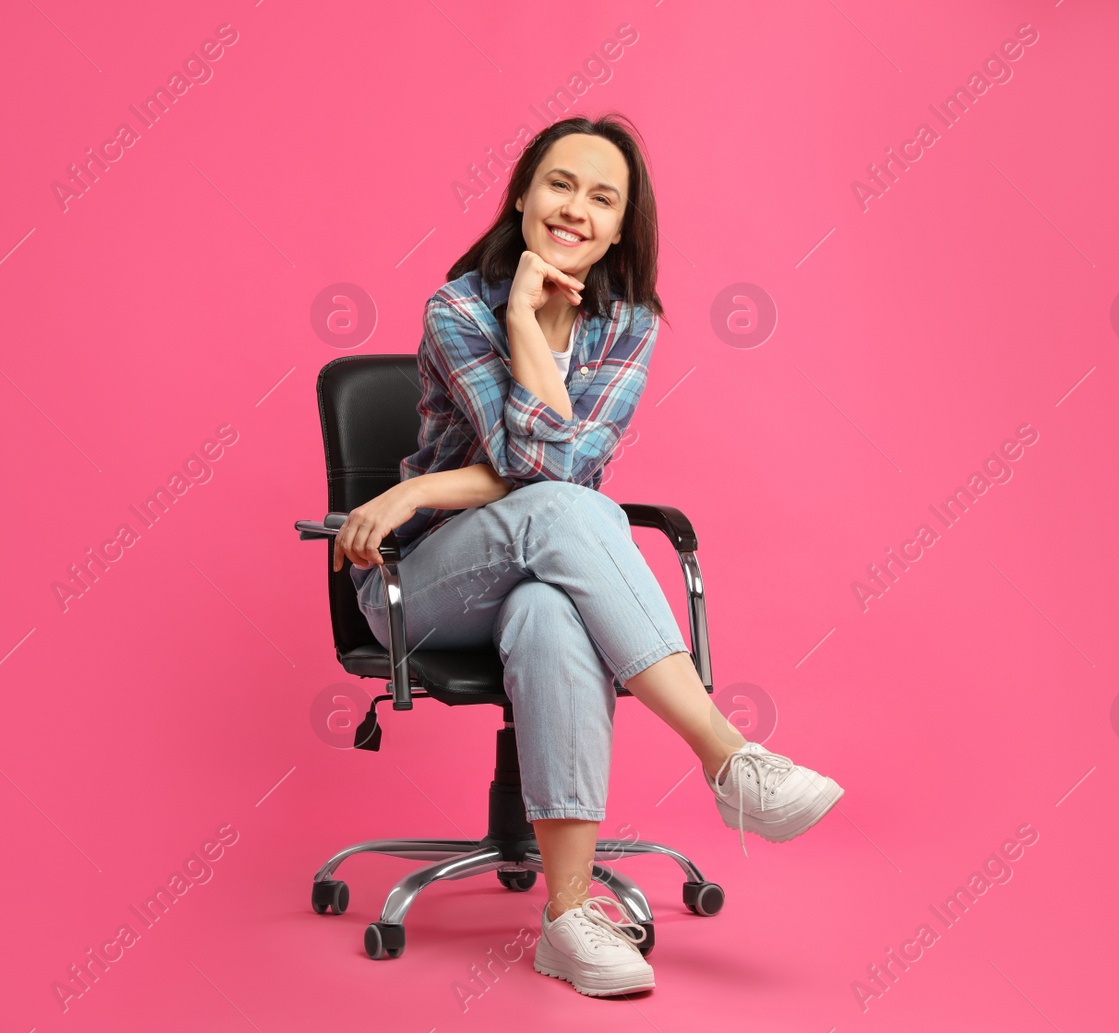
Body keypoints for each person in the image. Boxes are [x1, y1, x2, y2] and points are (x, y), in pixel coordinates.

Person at [332, 113, 844, 998]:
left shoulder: (627, 323)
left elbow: (551, 469)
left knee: (550, 608)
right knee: (570, 508)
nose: (576, 208)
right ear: (523, 195)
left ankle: (568, 917)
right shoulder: (457, 309)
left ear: (619, 228)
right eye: (560, 184)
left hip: (539, 561)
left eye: (602, 198)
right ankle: (727, 757)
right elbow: (543, 470)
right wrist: (518, 316)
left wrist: (418, 479)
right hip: (415, 584)